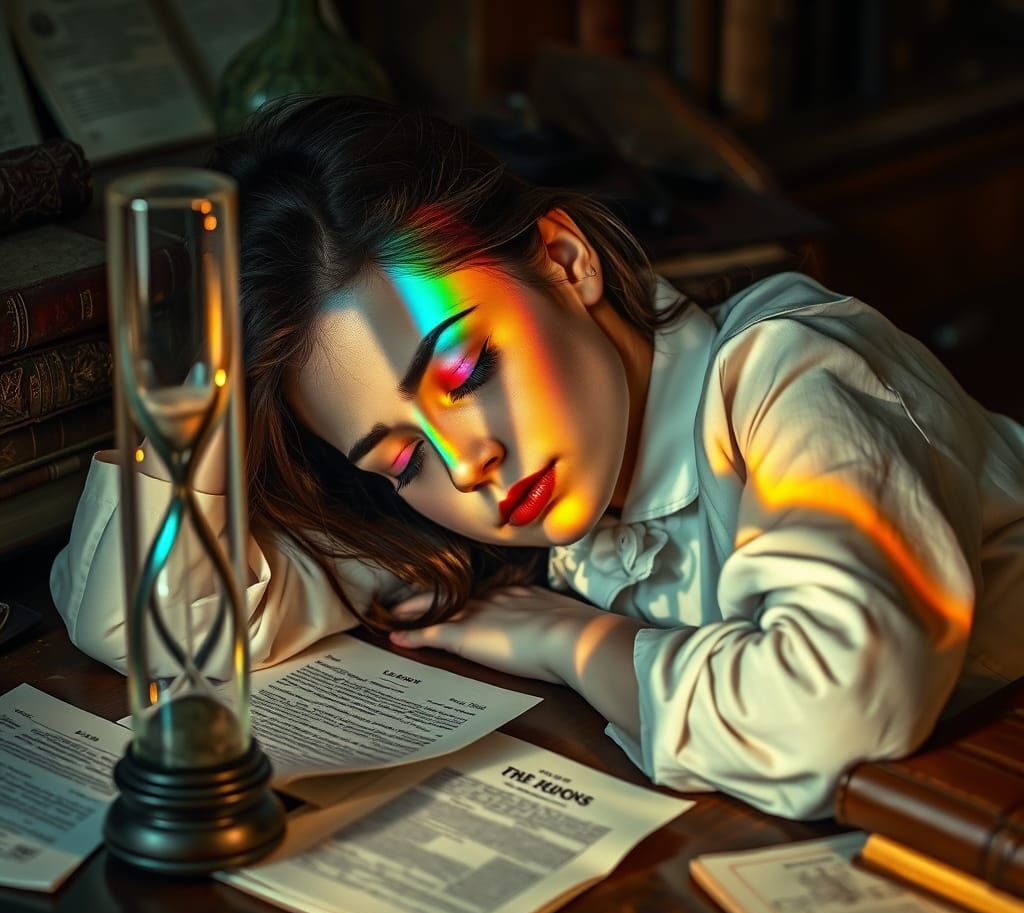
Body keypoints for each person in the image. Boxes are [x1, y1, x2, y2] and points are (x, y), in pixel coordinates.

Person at [52, 95, 1024, 820]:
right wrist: (196, 400)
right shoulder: (494, 514)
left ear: (564, 261)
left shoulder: (793, 377)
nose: (467, 464)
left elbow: (834, 713)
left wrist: (570, 640)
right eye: (396, 455)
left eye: (467, 368)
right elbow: (155, 631)